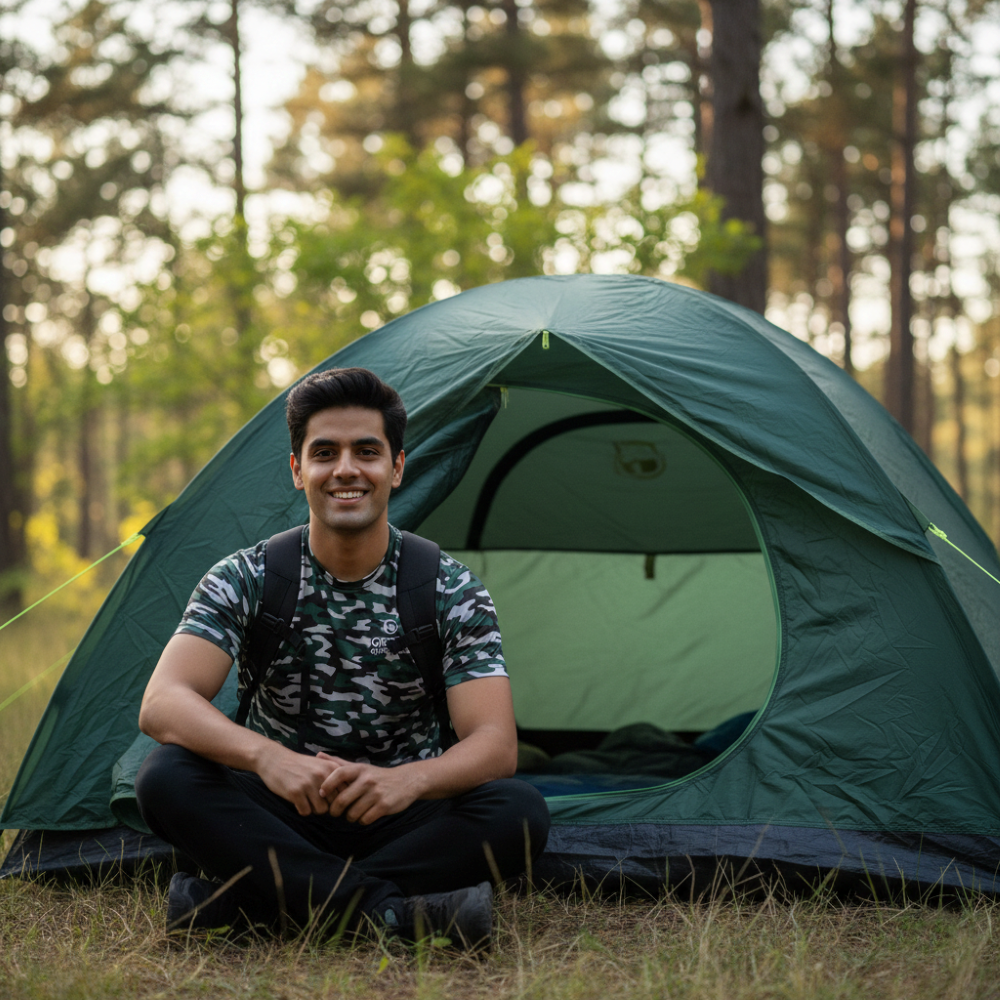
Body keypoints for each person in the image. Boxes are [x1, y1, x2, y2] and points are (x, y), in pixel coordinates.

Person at [135, 367, 550, 949]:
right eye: (325, 452)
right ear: (298, 470)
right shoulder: (246, 576)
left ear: (397, 468)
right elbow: (162, 703)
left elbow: (494, 744)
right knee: (164, 776)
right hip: (277, 810)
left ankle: (258, 907)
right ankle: (389, 914)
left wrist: (408, 782)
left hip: (402, 818)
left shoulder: (450, 589)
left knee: (519, 811)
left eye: (367, 451)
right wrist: (269, 759)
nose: (347, 469)